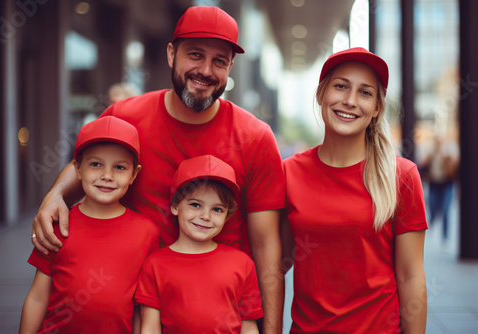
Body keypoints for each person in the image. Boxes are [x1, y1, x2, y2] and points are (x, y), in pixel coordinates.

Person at [30, 6, 285, 332]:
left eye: (219, 61)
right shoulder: (125, 115)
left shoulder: (255, 137)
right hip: (133, 311)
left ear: (230, 67)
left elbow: (267, 248)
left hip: (217, 316)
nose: (206, 70)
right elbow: (85, 164)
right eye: (195, 54)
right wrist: (55, 196)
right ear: (170, 54)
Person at [281, 47, 428, 333]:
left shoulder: (401, 176)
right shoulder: (289, 173)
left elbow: (411, 276)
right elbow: (275, 263)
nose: (350, 101)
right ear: (321, 95)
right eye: (341, 86)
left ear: (376, 109)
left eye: (365, 92)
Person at [20, 116, 160, 333]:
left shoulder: (147, 233)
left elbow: (144, 308)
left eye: (120, 167)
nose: (107, 176)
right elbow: (38, 297)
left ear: (134, 174)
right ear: (78, 169)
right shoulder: (58, 226)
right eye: (95, 164)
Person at [137, 155, 262, 333]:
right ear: (175, 206)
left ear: (227, 216)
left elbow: (249, 328)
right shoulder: (154, 266)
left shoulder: (243, 265)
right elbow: (149, 328)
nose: (205, 216)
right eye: (195, 205)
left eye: (217, 209)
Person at [420, 135, 459, 248]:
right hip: (434, 184)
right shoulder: (430, 155)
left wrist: (447, 157)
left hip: (447, 184)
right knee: (432, 206)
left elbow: (454, 167)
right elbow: (424, 167)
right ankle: (432, 221)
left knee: (446, 210)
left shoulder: (448, 155)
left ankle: (445, 238)